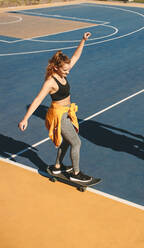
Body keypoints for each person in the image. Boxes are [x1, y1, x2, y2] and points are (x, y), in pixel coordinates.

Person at [19, 32, 92, 183]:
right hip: (59, 115)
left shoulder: (63, 72)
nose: (68, 71)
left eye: (68, 69)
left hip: (67, 112)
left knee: (67, 141)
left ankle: (57, 166)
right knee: (76, 143)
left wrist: (83, 40)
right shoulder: (50, 82)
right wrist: (25, 119)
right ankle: (76, 174)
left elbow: (76, 57)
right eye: (65, 70)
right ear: (57, 68)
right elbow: (38, 99)